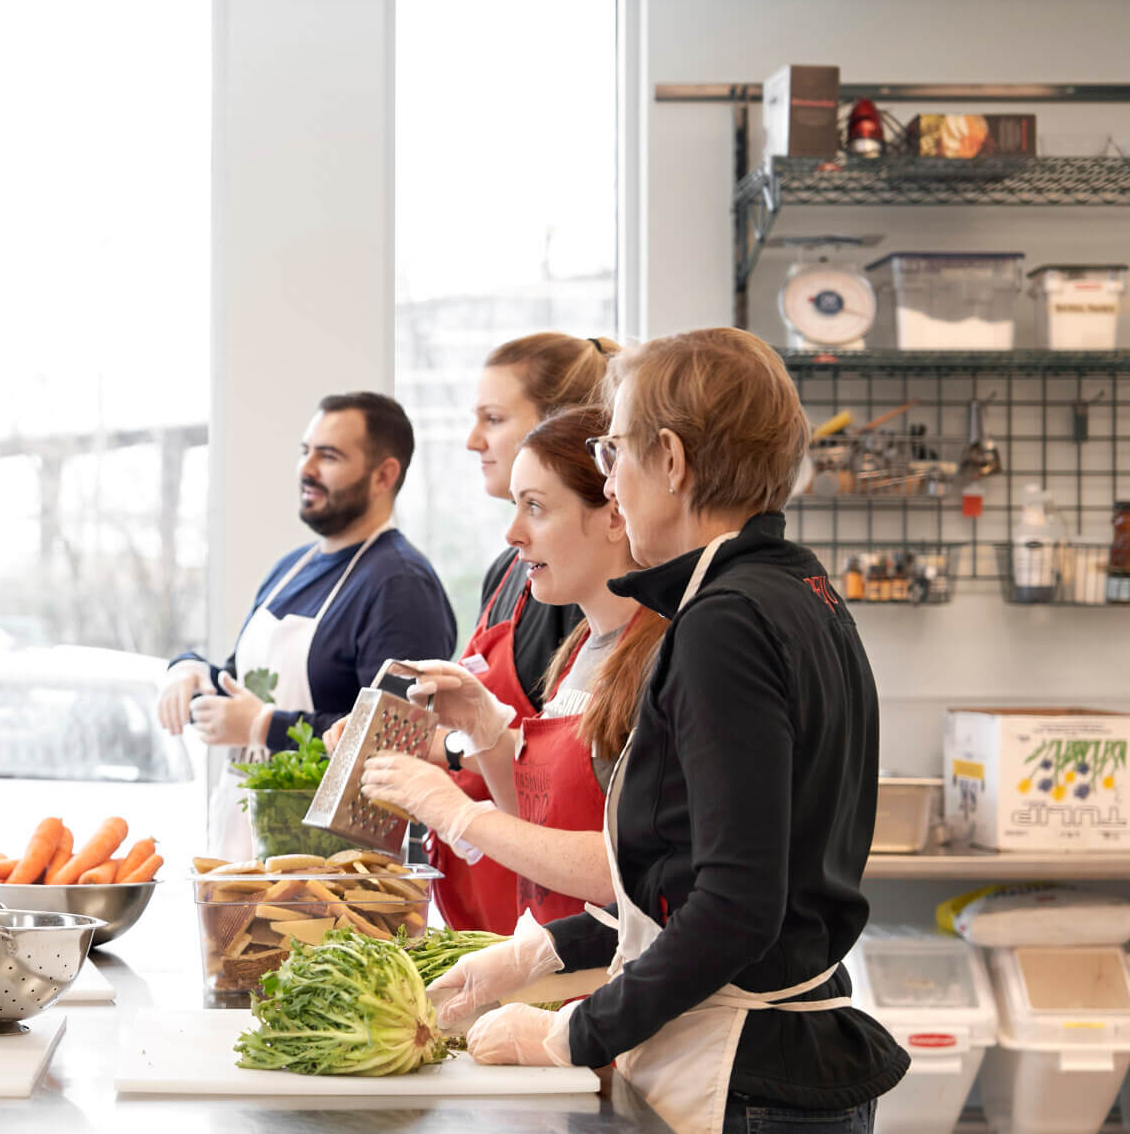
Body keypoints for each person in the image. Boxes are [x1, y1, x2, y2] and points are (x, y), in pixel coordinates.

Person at [426, 328, 907, 1134]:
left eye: (613, 453)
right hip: (779, 1057)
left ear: (673, 463)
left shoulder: (725, 623)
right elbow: (684, 880)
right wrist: (537, 954)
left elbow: (733, 908)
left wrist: (570, 1032)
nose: (610, 485)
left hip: (742, 1073)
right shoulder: (797, 588)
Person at [358, 405, 667, 928]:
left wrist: (457, 813)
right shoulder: (579, 647)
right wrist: (485, 727)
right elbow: (535, 820)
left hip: (622, 986)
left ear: (614, 514)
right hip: (560, 971)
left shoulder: (661, 655)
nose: (512, 534)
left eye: (536, 508)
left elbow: (627, 869)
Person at [154, 391, 459, 857]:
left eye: (329, 455)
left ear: (384, 475)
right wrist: (190, 669)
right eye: (305, 451)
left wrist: (264, 727)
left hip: (338, 874)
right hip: (246, 850)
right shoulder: (291, 569)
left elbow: (396, 741)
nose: (307, 469)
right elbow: (243, 683)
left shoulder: (399, 585)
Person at [425, 333, 616, 934]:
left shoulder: (588, 597)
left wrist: (449, 762)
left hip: (557, 917)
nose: (472, 440)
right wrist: (476, 723)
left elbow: (614, 858)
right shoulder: (519, 573)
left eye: (494, 418)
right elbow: (532, 792)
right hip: (513, 908)